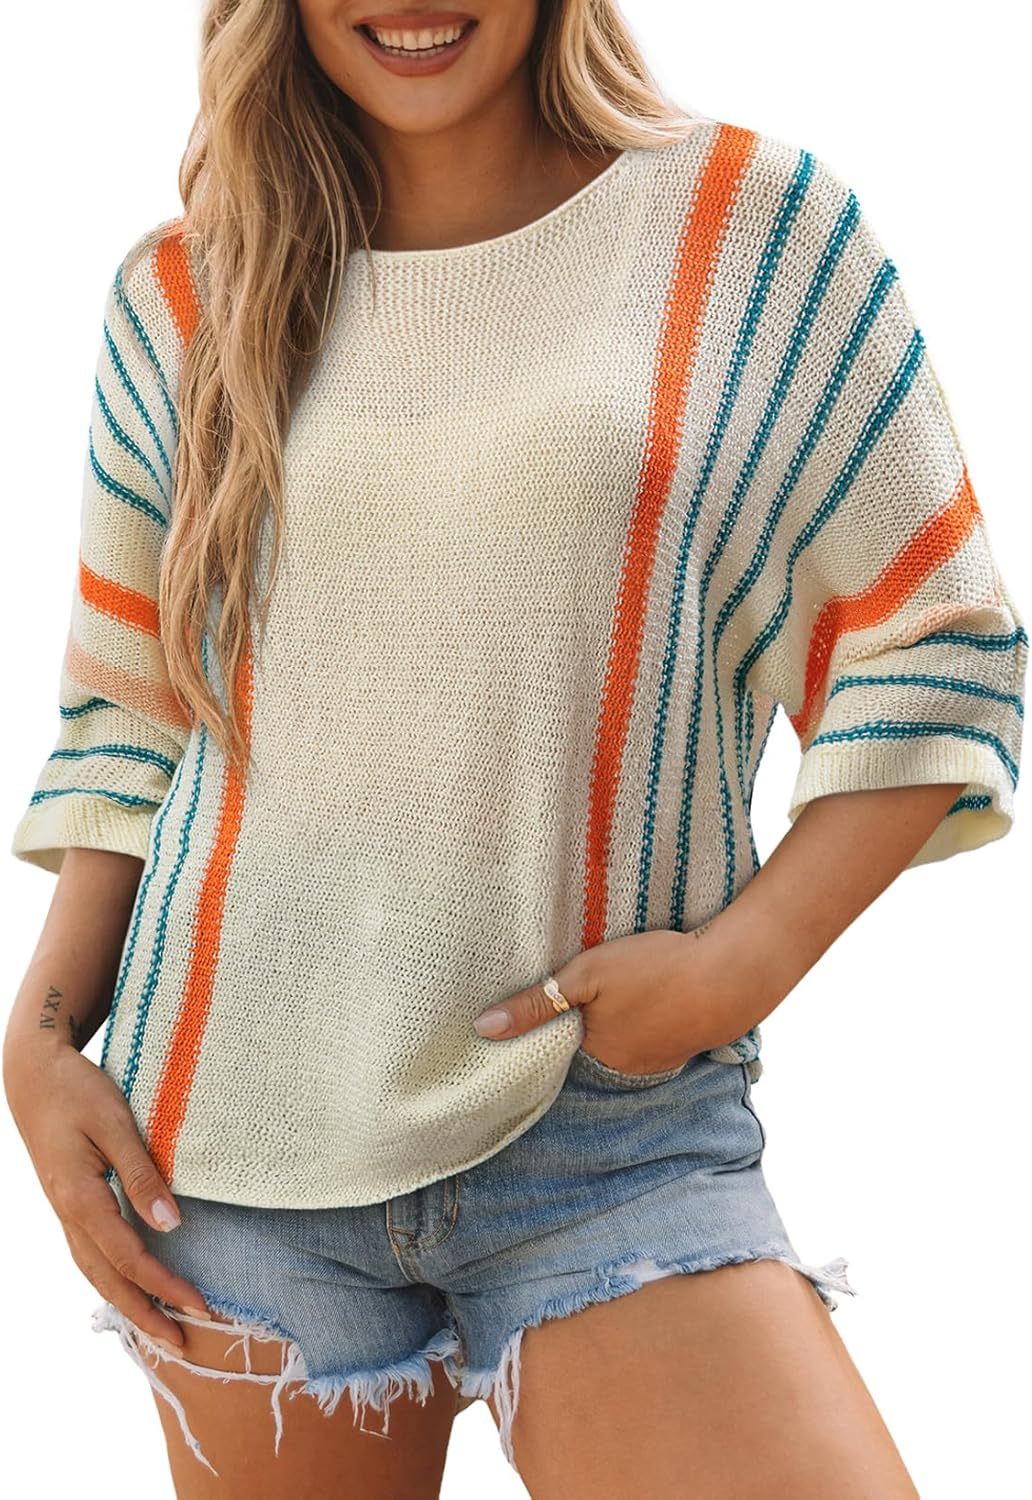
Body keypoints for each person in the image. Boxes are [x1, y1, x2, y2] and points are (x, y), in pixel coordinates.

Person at [3, 1, 1026, 1495]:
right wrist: (40, 1040)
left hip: (609, 1136)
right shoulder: (181, 294)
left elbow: (934, 640)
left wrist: (733, 971)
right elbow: (132, 717)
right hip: (225, 1154)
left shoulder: (748, 232)